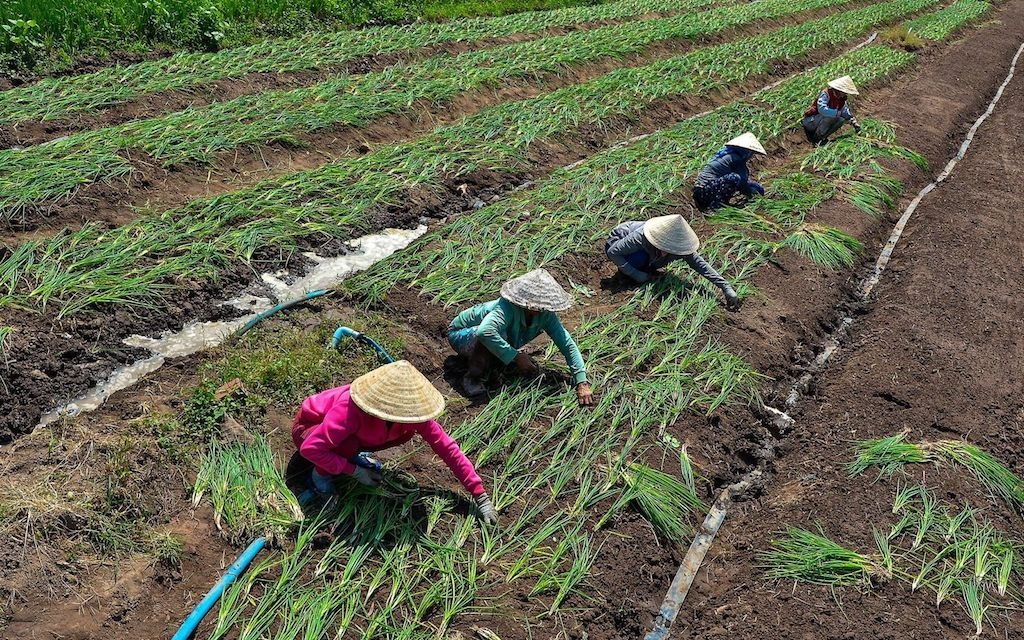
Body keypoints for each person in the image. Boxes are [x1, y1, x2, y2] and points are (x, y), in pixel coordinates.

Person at [291, 360, 498, 524]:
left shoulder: (413, 415)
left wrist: (480, 496)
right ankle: (320, 479)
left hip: (348, 436)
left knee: (401, 434)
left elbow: (448, 449)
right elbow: (311, 448)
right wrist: (353, 470)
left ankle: (349, 455)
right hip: (309, 431)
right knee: (343, 447)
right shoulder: (350, 409)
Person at [447, 268, 593, 406]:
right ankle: (473, 376)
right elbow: (484, 332)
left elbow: (567, 345)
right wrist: (516, 357)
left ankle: (495, 363)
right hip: (461, 334)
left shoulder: (546, 316)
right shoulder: (506, 307)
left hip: (489, 337)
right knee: (495, 333)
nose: (544, 310)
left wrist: (582, 382)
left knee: (515, 335)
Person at [605, 214, 740, 311]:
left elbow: (700, 265)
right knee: (638, 258)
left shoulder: (679, 247)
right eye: (663, 246)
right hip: (619, 243)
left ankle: (644, 269)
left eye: (670, 249)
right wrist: (634, 274)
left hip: (648, 255)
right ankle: (627, 273)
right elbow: (613, 252)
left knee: (655, 261)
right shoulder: (641, 237)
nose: (665, 252)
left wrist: (725, 286)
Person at [692, 132, 766, 213]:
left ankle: (720, 204)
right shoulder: (735, 159)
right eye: (750, 152)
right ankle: (714, 208)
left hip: (704, 191)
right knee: (734, 178)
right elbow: (742, 184)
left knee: (741, 181)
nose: (751, 155)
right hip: (703, 193)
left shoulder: (729, 155)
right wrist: (754, 193)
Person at [802, 75, 861, 144]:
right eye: (844, 92)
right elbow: (822, 109)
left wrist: (853, 122)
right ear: (839, 90)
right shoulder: (826, 94)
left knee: (841, 120)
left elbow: (845, 112)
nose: (845, 94)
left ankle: (822, 138)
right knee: (832, 116)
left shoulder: (841, 100)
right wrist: (837, 113)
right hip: (812, 121)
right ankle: (817, 139)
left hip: (822, 121)